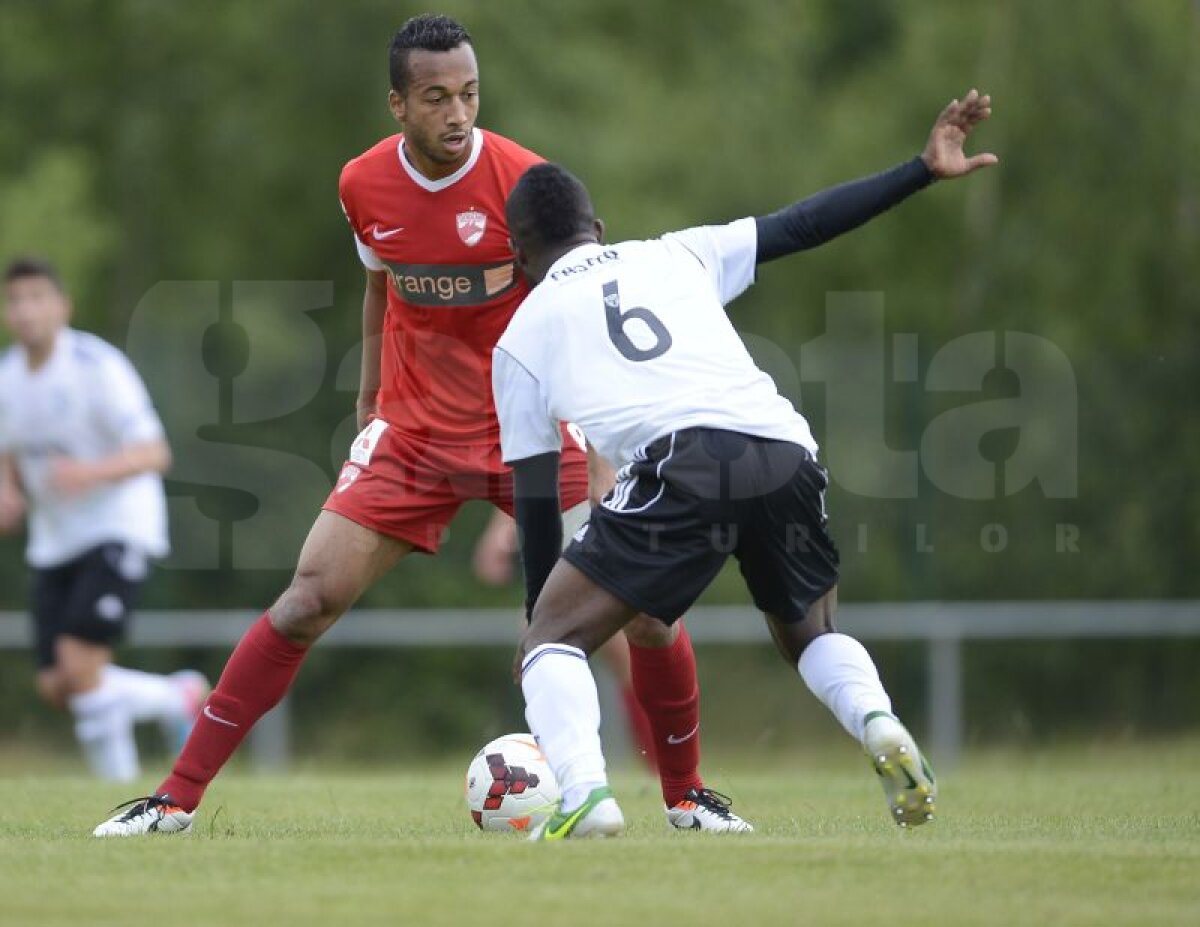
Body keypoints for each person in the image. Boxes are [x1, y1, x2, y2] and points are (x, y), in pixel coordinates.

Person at [94, 14, 744, 836]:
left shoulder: (525, 184)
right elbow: (381, 287)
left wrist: (604, 445)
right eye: (436, 98)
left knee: (645, 614)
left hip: (533, 429)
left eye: (469, 94)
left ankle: (688, 796)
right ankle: (173, 799)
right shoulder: (361, 184)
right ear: (397, 103)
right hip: (414, 433)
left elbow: (579, 306)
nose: (458, 114)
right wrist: (370, 401)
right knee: (306, 600)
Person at [493, 90, 997, 838]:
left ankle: (587, 795)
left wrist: (542, 625)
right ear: (599, 230)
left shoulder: (520, 336)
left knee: (552, 644)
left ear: (517, 260)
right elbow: (803, 223)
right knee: (811, 631)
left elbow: (537, 506)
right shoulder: (676, 250)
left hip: (683, 458)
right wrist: (919, 170)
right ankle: (879, 721)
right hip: (781, 445)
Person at [0, 257, 208, 782]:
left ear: (62, 306)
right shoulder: (7, 378)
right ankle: (177, 696)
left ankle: (119, 797)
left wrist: (88, 472)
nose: (25, 311)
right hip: (54, 538)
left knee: (80, 666)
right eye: (15, 301)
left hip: (118, 525)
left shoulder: (97, 366)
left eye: (36, 299)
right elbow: (7, 449)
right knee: (57, 686)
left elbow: (155, 453)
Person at [472, 507, 657, 769]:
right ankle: (558, 762)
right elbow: (520, 468)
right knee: (536, 634)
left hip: (604, 509)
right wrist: (499, 531)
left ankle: (662, 766)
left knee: (623, 647)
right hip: (562, 516)